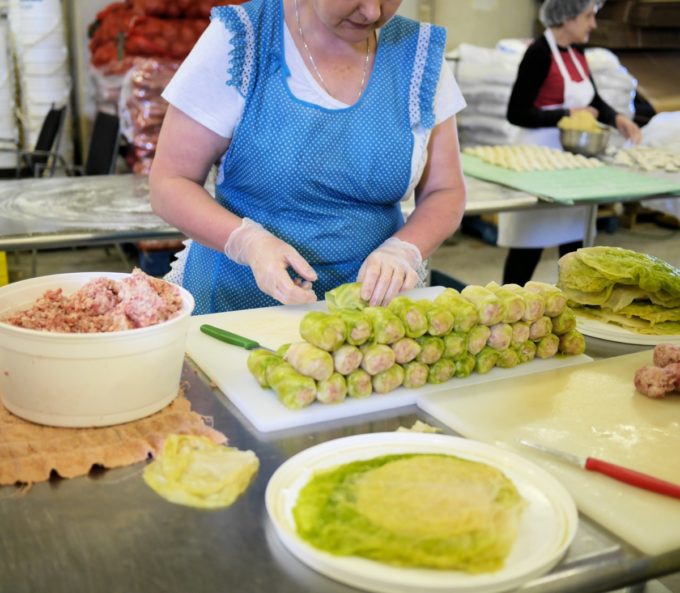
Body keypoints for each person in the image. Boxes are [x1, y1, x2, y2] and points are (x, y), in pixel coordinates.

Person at [149, 0, 467, 314]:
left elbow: (445, 190)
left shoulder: (418, 54)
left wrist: (405, 250)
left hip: (374, 314)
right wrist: (247, 243)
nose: (372, 11)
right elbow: (170, 183)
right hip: (235, 303)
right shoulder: (245, 38)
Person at [500, 0, 641, 285]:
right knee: (529, 243)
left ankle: (573, 308)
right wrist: (566, 114)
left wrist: (618, 119)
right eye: (588, 16)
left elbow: (593, 100)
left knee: (575, 245)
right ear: (566, 17)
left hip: (572, 163)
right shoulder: (538, 53)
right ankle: (507, 308)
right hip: (537, 162)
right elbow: (516, 112)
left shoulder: (576, 52)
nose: (593, 24)